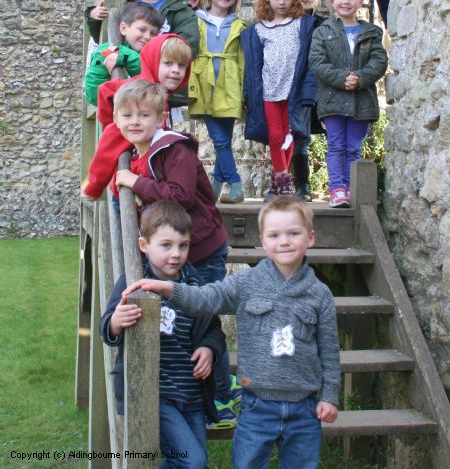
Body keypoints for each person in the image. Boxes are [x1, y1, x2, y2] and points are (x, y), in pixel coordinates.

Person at [124, 195, 340, 469]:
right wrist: (170, 289)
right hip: (256, 405)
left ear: (310, 238)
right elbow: (207, 298)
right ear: (263, 241)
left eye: (293, 233)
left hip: (304, 407)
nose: (284, 241)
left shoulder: (320, 294)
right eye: (274, 235)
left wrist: (330, 396)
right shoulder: (246, 283)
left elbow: (330, 351)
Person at [84, 78, 236, 423]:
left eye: (144, 115)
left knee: (205, 316)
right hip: (179, 251)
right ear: (116, 120)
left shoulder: (174, 149)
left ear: (161, 118)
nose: (135, 122)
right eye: (127, 115)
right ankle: (182, 389)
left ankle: (223, 396)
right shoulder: (140, 152)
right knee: (186, 321)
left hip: (202, 248)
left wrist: (134, 182)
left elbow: (180, 196)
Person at [100, 200, 226, 469]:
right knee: (193, 462)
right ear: (144, 245)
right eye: (166, 245)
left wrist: (209, 349)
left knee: (193, 463)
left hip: (191, 393)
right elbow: (106, 328)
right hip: (155, 395)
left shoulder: (192, 282)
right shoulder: (134, 281)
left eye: (183, 245)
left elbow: (213, 327)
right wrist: (116, 322)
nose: (176, 254)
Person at [309, 0, 388, 208]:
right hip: (332, 100)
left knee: (353, 147)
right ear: (332, 1)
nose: (346, 2)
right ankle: (337, 189)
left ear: (360, 1)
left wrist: (361, 78)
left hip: (361, 101)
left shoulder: (372, 32)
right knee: (336, 145)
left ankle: (351, 188)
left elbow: (379, 61)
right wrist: (342, 78)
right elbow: (317, 62)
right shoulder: (323, 32)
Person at [81, 34, 192, 199]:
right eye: (168, 63)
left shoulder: (159, 95)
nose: (176, 70)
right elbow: (105, 90)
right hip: (128, 188)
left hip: (141, 185)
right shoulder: (140, 93)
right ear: (153, 61)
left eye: (182, 65)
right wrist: (113, 123)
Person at [241, 0, 317, 200]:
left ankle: (280, 184)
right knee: (275, 135)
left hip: (293, 90)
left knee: (290, 134)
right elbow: (253, 64)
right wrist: (249, 93)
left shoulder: (302, 24)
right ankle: (282, 180)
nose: (282, 2)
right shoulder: (259, 29)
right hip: (270, 90)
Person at [189, 0, 247, 204]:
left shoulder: (240, 26)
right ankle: (235, 184)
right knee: (220, 139)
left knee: (224, 138)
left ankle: (215, 186)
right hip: (204, 84)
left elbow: (242, 61)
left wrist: (244, 90)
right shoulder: (196, 20)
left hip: (230, 86)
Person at [129, 0, 200, 107]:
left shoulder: (181, 9)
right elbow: (111, 33)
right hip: (128, 77)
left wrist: (157, 61)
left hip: (165, 89)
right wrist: (94, 16)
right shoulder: (127, 0)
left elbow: (190, 43)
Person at [84, 3, 163, 106]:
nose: (147, 36)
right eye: (142, 30)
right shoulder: (106, 51)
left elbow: (149, 75)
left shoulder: (154, 55)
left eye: (153, 33)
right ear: (123, 29)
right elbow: (94, 94)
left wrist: (124, 56)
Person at [291, 0, 325, 201]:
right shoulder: (285, 23)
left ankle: (339, 185)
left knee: (315, 135)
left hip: (317, 86)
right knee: (296, 136)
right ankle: (299, 184)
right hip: (292, 86)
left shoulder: (322, 25)